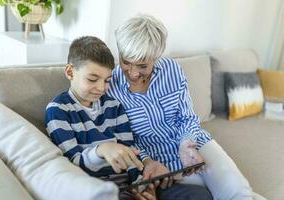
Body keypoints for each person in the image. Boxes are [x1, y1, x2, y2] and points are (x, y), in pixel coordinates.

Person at [45, 36, 212, 200]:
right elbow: (73, 163)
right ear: (70, 72)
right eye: (92, 79)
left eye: (107, 80)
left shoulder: (113, 106)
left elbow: (131, 151)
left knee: (199, 195)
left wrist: (144, 185)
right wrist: (101, 151)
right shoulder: (58, 110)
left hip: (130, 188)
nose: (101, 88)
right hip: (97, 189)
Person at [107, 14, 254, 200]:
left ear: (156, 57)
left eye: (143, 65)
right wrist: (147, 161)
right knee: (204, 195)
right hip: (155, 160)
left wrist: (186, 144)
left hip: (193, 142)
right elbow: (123, 138)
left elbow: (187, 117)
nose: (134, 73)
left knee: (238, 191)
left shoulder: (172, 70)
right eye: (126, 62)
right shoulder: (110, 86)